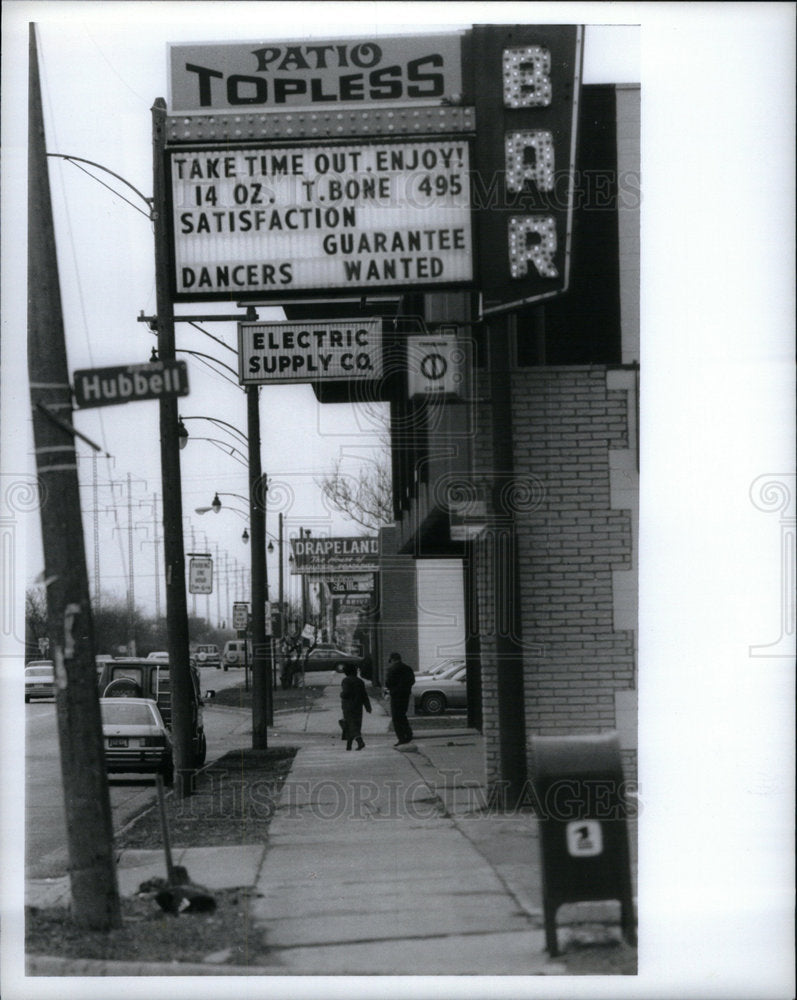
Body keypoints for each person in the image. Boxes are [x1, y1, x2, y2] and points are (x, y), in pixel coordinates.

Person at [384, 651, 415, 746]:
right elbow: (412, 681)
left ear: (393, 660)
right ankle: (408, 734)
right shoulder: (408, 668)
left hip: (396, 696)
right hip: (405, 695)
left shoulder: (391, 669)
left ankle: (401, 738)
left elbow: (388, 683)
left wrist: (392, 689)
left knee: (396, 718)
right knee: (402, 715)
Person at [339, 663, 371, 751]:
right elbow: (364, 694)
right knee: (355, 724)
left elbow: (346, 693)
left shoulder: (346, 680)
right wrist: (368, 706)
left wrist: (341, 694)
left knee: (350, 724)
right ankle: (349, 745)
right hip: (358, 705)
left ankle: (359, 741)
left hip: (348, 706)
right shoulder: (360, 681)